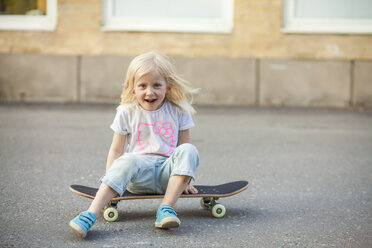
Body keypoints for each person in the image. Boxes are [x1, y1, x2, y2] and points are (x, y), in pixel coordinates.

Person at [69, 50, 200, 238]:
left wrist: (185, 180)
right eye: (143, 85)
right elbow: (116, 150)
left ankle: (165, 209)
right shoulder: (126, 111)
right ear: (132, 88)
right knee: (127, 159)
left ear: (168, 86)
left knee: (190, 150)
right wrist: (111, 179)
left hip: (168, 174)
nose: (150, 92)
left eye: (157, 85)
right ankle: (89, 215)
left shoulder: (179, 110)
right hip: (138, 176)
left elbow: (183, 149)